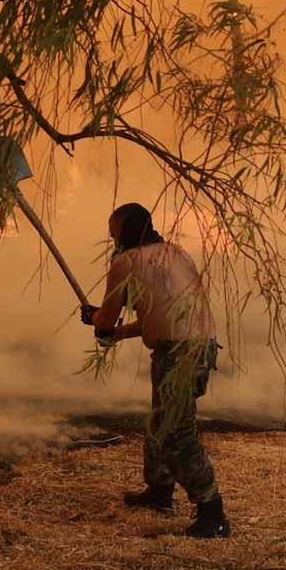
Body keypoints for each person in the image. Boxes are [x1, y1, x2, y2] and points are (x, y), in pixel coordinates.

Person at [87, 202, 231, 538]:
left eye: (113, 233)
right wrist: (119, 332)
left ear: (123, 231)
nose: (112, 241)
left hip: (178, 353)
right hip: (198, 345)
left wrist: (99, 322)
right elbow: (162, 314)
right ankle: (159, 493)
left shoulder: (125, 261)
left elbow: (105, 322)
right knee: (160, 421)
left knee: (174, 434)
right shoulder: (175, 254)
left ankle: (213, 515)